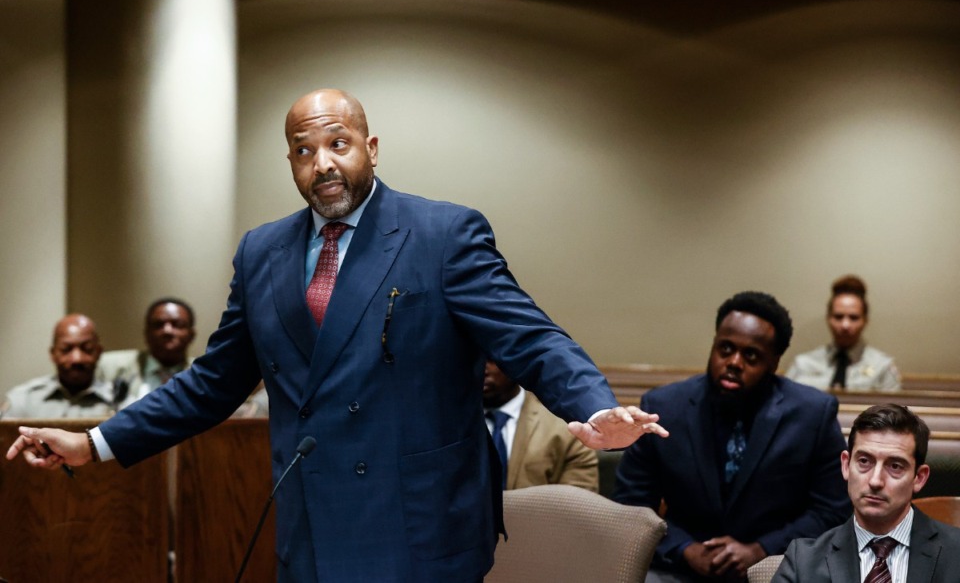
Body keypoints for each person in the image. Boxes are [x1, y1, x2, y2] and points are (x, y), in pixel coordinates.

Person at [7, 88, 667, 583]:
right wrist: (94, 442)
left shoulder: (443, 235)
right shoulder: (262, 251)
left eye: (337, 143)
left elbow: (531, 337)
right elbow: (213, 382)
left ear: (371, 148)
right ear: (290, 160)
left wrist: (591, 402)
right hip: (311, 533)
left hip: (418, 533)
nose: (321, 162)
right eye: (303, 149)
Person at [613, 291, 850, 582]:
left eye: (751, 355)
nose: (734, 362)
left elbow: (832, 511)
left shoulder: (812, 414)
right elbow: (631, 503)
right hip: (678, 567)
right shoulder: (663, 408)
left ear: (774, 363)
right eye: (725, 349)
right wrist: (685, 549)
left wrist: (760, 550)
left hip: (775, 568)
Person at [772, 404, 960, 582]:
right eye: (864, 461)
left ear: (919, 477)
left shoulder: (956, 553)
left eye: (895, 466)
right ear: (846, 465)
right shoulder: (803, 562)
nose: (875, 481)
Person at [483, 360, 599, 492]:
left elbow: (577, 504)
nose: (481, 368)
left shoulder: (567, 427)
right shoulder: (455, 421)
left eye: (490, 360)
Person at [787, 275, 901, 391]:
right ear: (828, 318)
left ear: (865, 320)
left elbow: (893, 408)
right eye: (838, 317)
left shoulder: (882, 367)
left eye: (853, 317)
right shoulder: (803, 364)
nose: (845, 325)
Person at [1, 314, 122, 419]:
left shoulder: (120, 401)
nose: (76, 359)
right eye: (66, 349)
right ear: (53, 354)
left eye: (87, 349)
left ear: (99, 352)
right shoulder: (23, 400)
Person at [96, 297, 197, 401]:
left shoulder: (202, 373)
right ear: (146, 333)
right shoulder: (109, 367)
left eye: (177, 324)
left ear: (192, 335)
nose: (167, 331)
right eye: (158, 325)